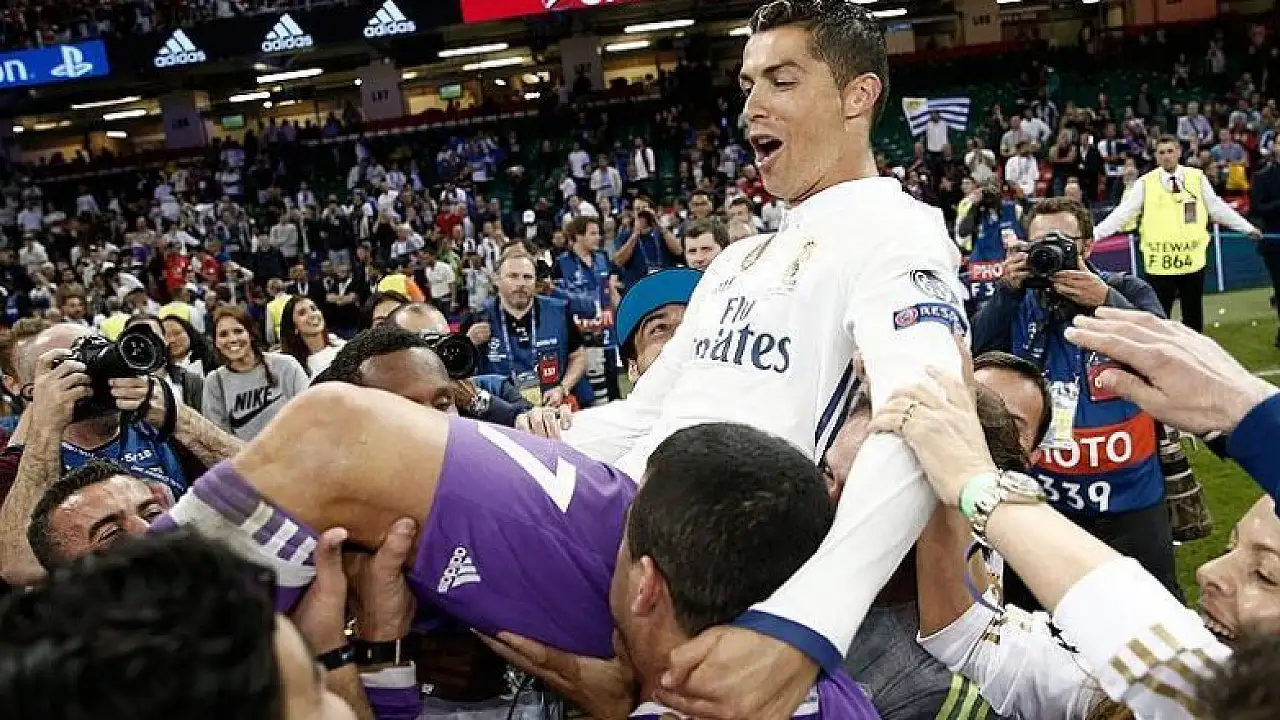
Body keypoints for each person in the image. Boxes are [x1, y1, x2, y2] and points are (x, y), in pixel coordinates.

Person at [154, 2, 968, 716]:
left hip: (707, 561)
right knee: (340, 479)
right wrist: (522, 437)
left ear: (858, 96)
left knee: (334, 429)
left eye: (782, 81)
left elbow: (926, 426)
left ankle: (109, 643)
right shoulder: (740, 260)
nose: (752, 104)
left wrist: (806, 628)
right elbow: (647, 415)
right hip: (624, 514)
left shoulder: (897, 231)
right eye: (748, 82)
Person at [971, 197, 1181, 607]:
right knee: (1040, 616)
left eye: (1063, 242)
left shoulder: (1126, 290)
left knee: (1154, 609)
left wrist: (1105, 300)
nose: (1051, 253)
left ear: (1087, 246)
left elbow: (1168, 355)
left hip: (1131, 498)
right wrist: (1005, 295)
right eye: (1040, 244)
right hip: (1044, 501)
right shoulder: (1017, 301)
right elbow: (973, 356)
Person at [0, 322, 242, 584]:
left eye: (100, 349)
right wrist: (45, 426)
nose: (97, 368)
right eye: (73, 363)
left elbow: (262, 484)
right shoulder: (20, 465)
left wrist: (180, 417)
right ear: (33, 391)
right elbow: (20, 566)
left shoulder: (164, 430)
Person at [1092, 134, 1261, 331]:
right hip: (1160, 265)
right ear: (1156, 156)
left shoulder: (1196, 178)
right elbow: (1122, 214)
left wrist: (1246, 228)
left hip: (1191, 262)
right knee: (1159, 318)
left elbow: (1217, 208)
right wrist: (1095, 234)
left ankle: (1194, 349)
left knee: (1193, 317)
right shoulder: (1146, 183)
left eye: (1170, 151)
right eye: (1161, 152)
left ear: (1179, 153)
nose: (1166, 156)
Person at [468, 251, 591, 409]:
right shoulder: (478, 318)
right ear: (496, 279)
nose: (521, 283)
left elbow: (579, 356)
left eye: (527, 277)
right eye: (513, 276)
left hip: (551, 408)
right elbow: (456, 374)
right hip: (501, 412)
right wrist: (469, 343)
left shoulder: (558, 312)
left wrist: (563, 388)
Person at [202, 306, 309, 441]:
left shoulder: (286, 365)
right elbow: (219, 439)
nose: (232, 339)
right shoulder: (214, 382)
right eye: (223, 334)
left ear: (251, 334)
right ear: (216, 342)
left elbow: (309, 412)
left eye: (238, 331)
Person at [554, 215, 621, 406]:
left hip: (606, 333)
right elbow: (557, 300)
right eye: (593, 233)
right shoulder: (561, 263)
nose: (598, 237)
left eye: (598, 233)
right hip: (581, 336)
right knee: (589, 395)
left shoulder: (603, 258)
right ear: (578, 236)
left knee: (612, 390)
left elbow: (611, 290)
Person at [957, 180, 1023, 306]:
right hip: (982, 271)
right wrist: (974, 207)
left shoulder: (1014, 209)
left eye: (992, 190)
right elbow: (963, 232)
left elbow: (1026, 236)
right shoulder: (977, 211)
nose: (989, 196)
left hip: (1007, 267)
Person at [279, 296, 345, 377]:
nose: (312, 314)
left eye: (313, 309)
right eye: (302, 313)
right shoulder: (293, 367)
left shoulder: (342, 346)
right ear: (294, 327)